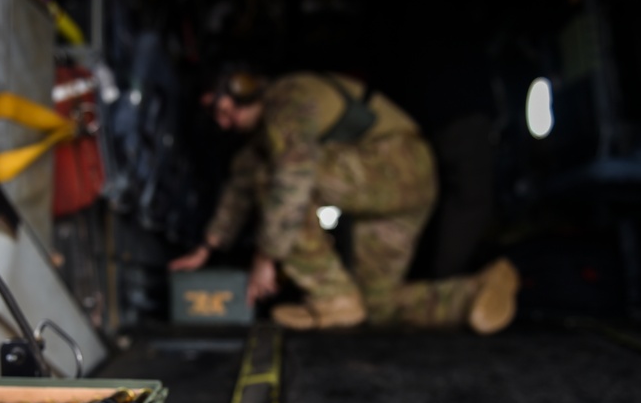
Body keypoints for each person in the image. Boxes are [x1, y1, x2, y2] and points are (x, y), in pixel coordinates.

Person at [168, 66, 520, 332]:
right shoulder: (258, 144)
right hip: (406, 182)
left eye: (224, 108)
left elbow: (293, 177)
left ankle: (331, 296)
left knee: (279, 179)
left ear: (242, 87)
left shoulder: (287, 98)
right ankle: (473, 294)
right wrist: (206, 248)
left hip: (395, 165)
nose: (224, 121)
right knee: (376, 303)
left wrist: (266, 257)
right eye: (215, 116)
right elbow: (239, 188)